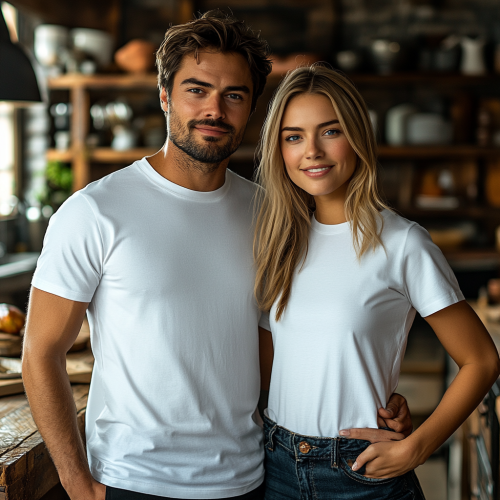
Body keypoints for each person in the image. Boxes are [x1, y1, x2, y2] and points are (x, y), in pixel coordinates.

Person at [22, 13, 411, 500]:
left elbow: (293, 341)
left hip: (251, 479)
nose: (214, 109)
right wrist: (78, 485)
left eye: (234, 95)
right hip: (134, 481)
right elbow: (40, 353)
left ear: (251, 108)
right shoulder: (94, 211)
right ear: (164, 96)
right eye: (196, 90)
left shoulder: (272, 213)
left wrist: (371, 399)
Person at [254, 64, 500, 500]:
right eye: (293, 136)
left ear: (356, 137)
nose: (311, 150)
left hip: (360, 474)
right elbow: (277, 362)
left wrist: (416, 446)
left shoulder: (403, 243)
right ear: (279, 150)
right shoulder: (280, 239)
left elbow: (481, 360)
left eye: (329, 131)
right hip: (276, 467)